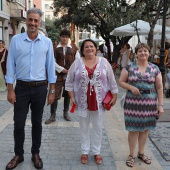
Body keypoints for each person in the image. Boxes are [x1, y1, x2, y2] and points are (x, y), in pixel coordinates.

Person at [5, 8, 57, 170]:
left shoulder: (47, 42)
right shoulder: (16, 41)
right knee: (18, 123)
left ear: (40, 23)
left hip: (40, 88)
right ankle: (19, 154)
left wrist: (52, 91)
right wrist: (10, 89)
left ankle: (35, 153)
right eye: (30, 20)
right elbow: (10, 65)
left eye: (36, 20)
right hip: (21, 88)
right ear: (26, 21)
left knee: (37, 123)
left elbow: (50, 68)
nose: (33, 23)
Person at [65, 39, 118, 165]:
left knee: (98, 127)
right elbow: (69, 81)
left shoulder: (104, 62)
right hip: (82, 101)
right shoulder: (77, 63)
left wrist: (114, 95)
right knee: (83, 127)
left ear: (96, 48)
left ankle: (96, 152)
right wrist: (72, 97)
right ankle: (84, 151)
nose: (89, 48)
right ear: (82, 50)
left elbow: (112, 80)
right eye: (86, 47)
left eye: (92, 46)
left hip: (98, 101)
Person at [119, 43, 164, 168]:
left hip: (149, 104)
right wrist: (131, 87)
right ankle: (131, 155)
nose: (143, 53)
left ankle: (141, 153)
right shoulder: (129, 67)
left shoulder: (155, 68)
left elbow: (159, 88)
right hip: (133, 103)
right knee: (133, 130)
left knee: (145, 129)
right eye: (140, 51)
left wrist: (160, 105)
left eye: (145, 51)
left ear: (149, 53)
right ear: (136, 53)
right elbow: (121, 82)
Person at [45, 29, 80, 124]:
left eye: (66, 37)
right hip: (57, 74)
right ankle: (53, 115)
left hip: (70, 75)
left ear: (69, 38)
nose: (64, 38)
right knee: (55, 93)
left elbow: (78, 61)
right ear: (60, 37)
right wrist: (61, 69)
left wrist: (72, 70)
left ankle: (66, 113)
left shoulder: (73, 48)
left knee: (68, 93)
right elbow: (51, 60)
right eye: (63, 36)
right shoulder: (55, 47)